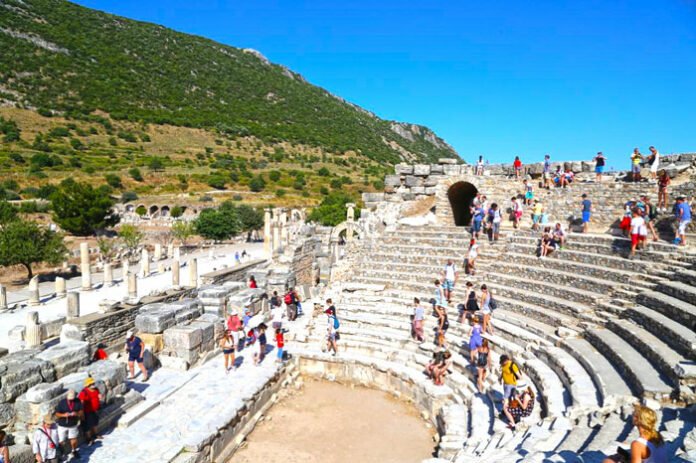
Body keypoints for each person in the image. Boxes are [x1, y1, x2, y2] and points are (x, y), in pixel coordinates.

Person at [602, 404, 668, 463]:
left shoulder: (637, 444)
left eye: (634, 415)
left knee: (608, 461)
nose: (632, 416)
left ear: (638, 420)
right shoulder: (658, 436)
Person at [55, 389, 83, 459]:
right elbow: (57, 414)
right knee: (61, 440)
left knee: (74, 439)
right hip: (62, 425)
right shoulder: (62, 402)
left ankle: (74, 450)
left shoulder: (78, 401)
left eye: (72, 399)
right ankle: (61, 453)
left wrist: (76, 413)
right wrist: (64, 415)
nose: (71, 400)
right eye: (69, 399)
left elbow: (81, 412)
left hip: (73, 424)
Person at [78, 377, 102, 445]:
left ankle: (96, 434)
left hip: (95, 410)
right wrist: (82, 413)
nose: (93, 384)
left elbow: (98, 395)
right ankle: (89, 439)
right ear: (88, 385)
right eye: (91, 383)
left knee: (95, 423)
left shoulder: (96, 389)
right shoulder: (84, 392)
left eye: (93, 383)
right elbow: (81, 402)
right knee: (87, 426)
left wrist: (100, 396)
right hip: (87, 412)